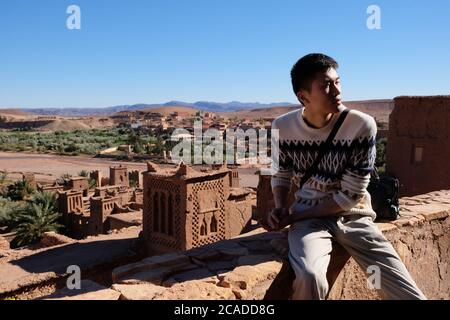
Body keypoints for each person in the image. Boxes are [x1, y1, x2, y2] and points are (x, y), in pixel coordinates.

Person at [265, 53, 426, 300]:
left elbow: (350, 197)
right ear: (303, 96)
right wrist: (278, 206)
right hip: (311, 224)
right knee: (309, 277)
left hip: (354, 217)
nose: (336, 90)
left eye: (337, 82)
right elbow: (281, 171)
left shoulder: (361, 125)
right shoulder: (281, 126)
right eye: (326, 85)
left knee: (403, 291)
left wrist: (294, 215)